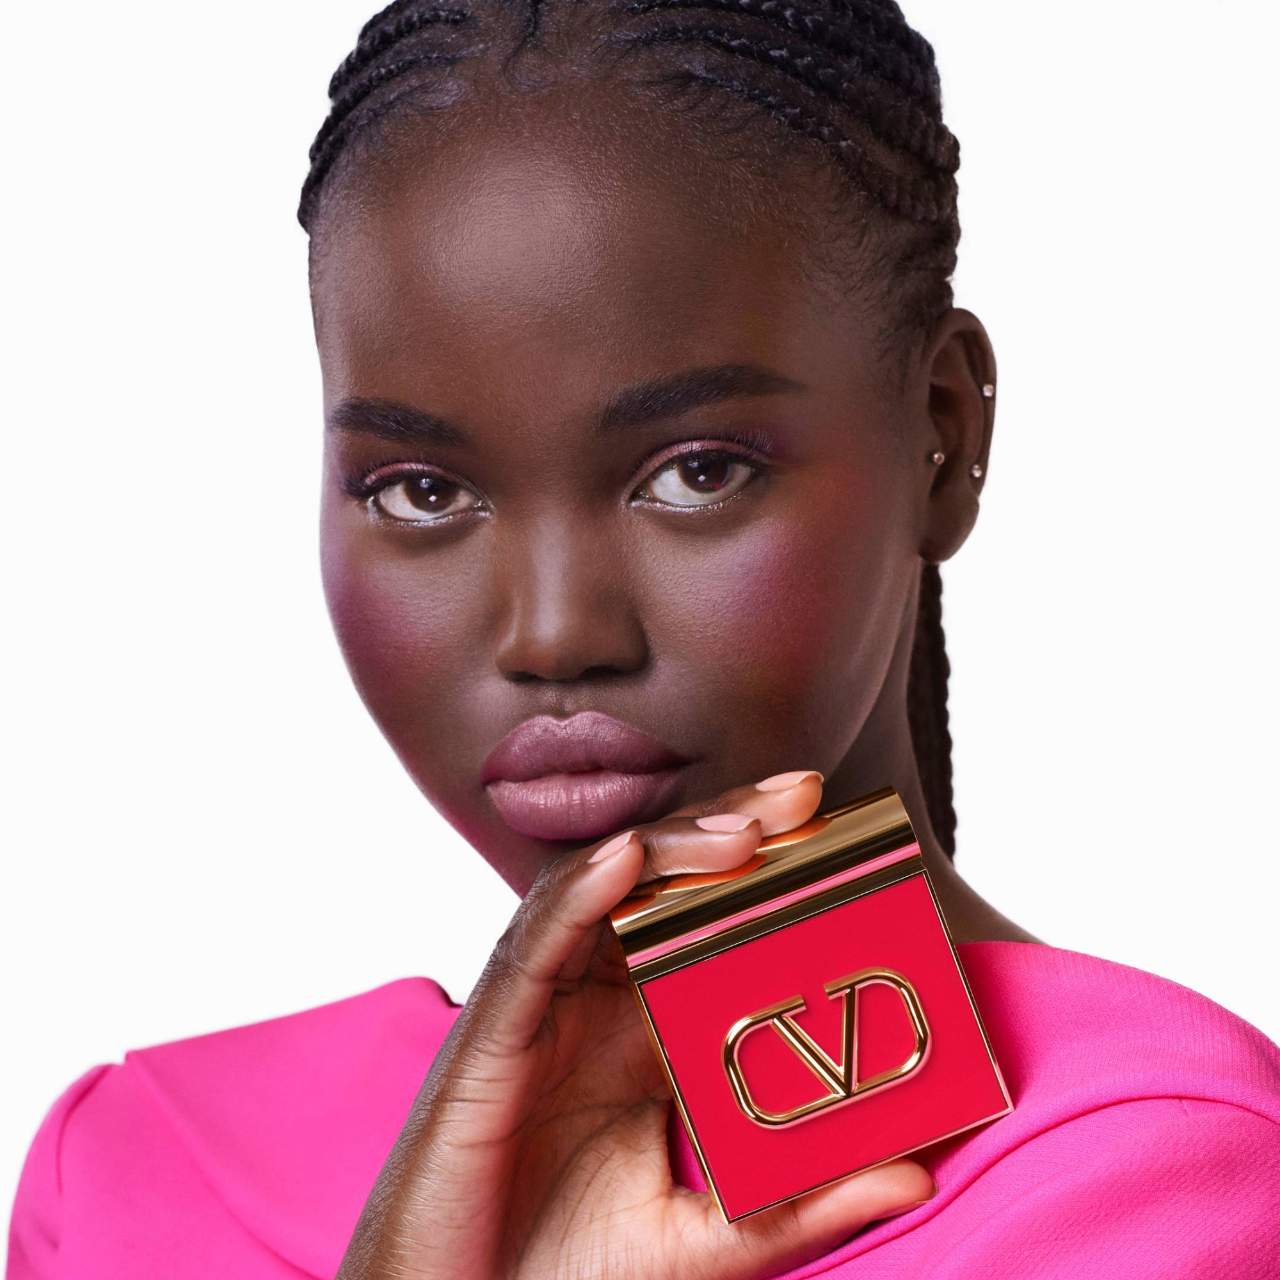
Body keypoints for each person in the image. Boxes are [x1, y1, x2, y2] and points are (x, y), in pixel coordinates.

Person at [8, 1, 1280, 1276]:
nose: (556, 633)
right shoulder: (134, 1168)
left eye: (697, 471)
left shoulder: (1162, 1178)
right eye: (421, 490)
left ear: (939, 437)